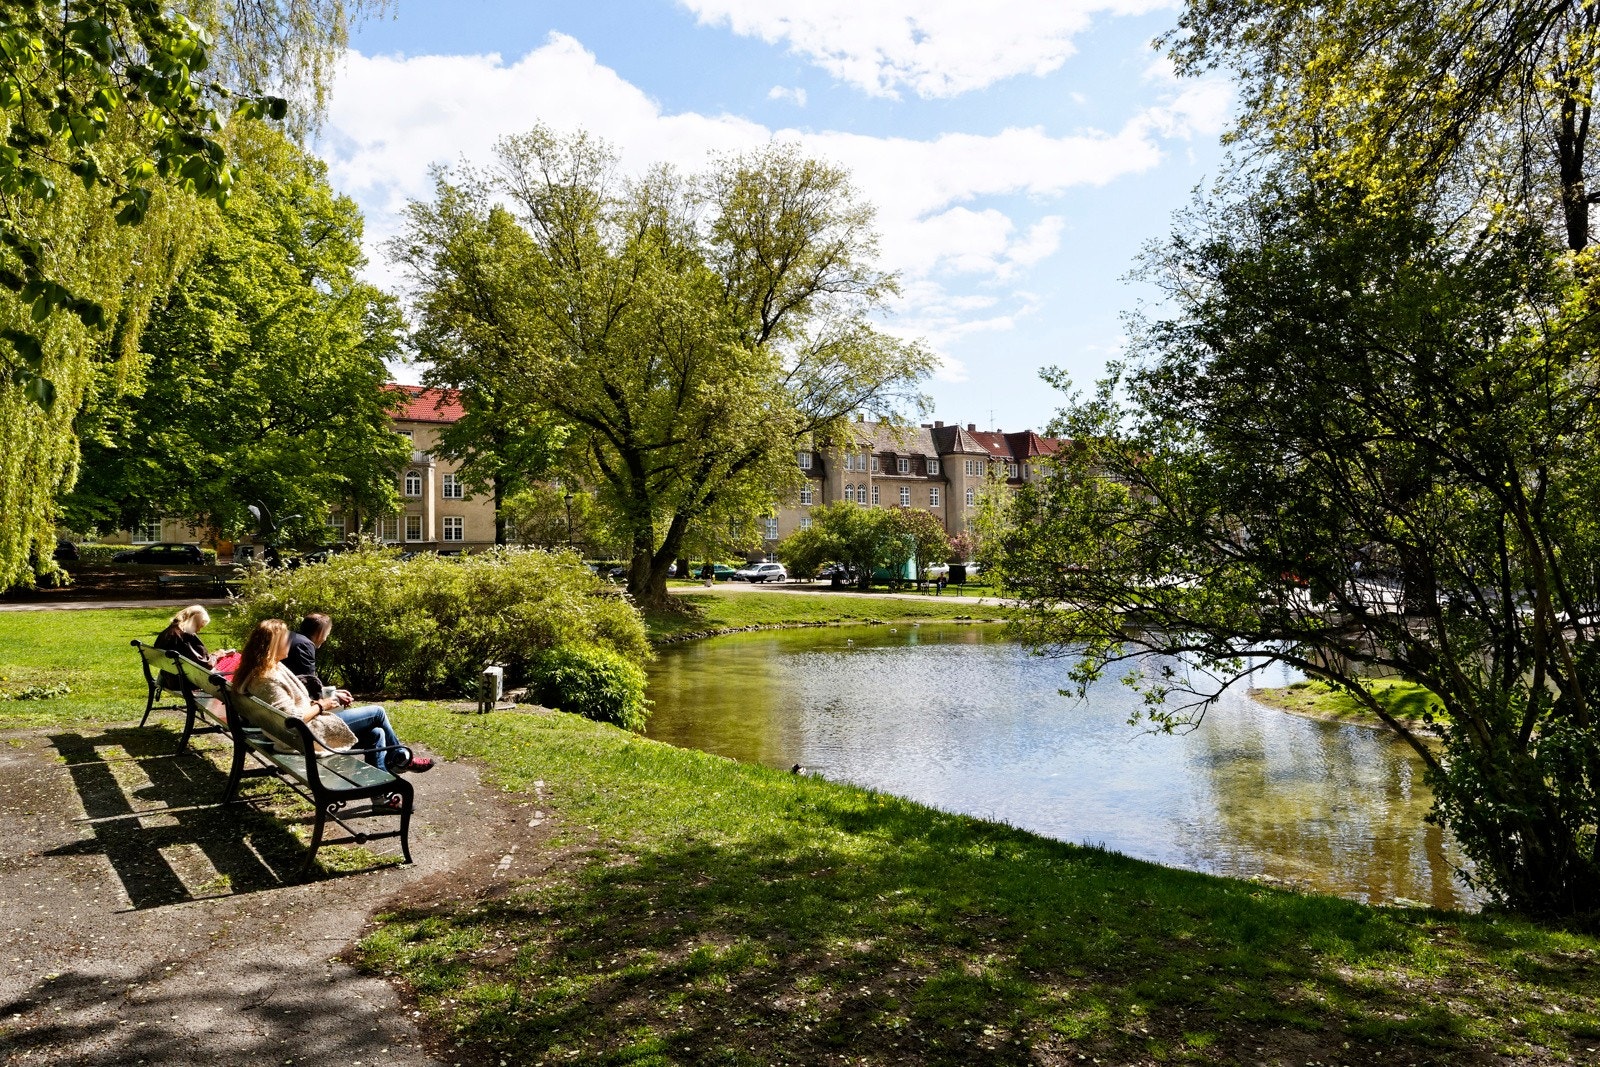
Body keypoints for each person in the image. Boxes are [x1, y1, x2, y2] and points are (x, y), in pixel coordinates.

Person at [286, 613, 433, 773]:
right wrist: (333, 698)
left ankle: (384, 783)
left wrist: (329, 692)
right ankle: (401, 758)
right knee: (378, 712)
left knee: (376, 733)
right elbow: (307, 690)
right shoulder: (305, 645)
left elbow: (300, 685)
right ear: (321, 633)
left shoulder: (294, 640)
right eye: (327, 634)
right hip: (307, 728)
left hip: (296, 724)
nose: (327, 639)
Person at [153, 605, 236, 688]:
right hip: (187, 682)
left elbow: (194, 659)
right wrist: (218, 654)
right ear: (194, 622)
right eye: (199, 626)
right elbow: (206, 665)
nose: (198, 630)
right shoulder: (186, 636)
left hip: (170, 679)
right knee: (235, 659)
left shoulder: (168, 632)